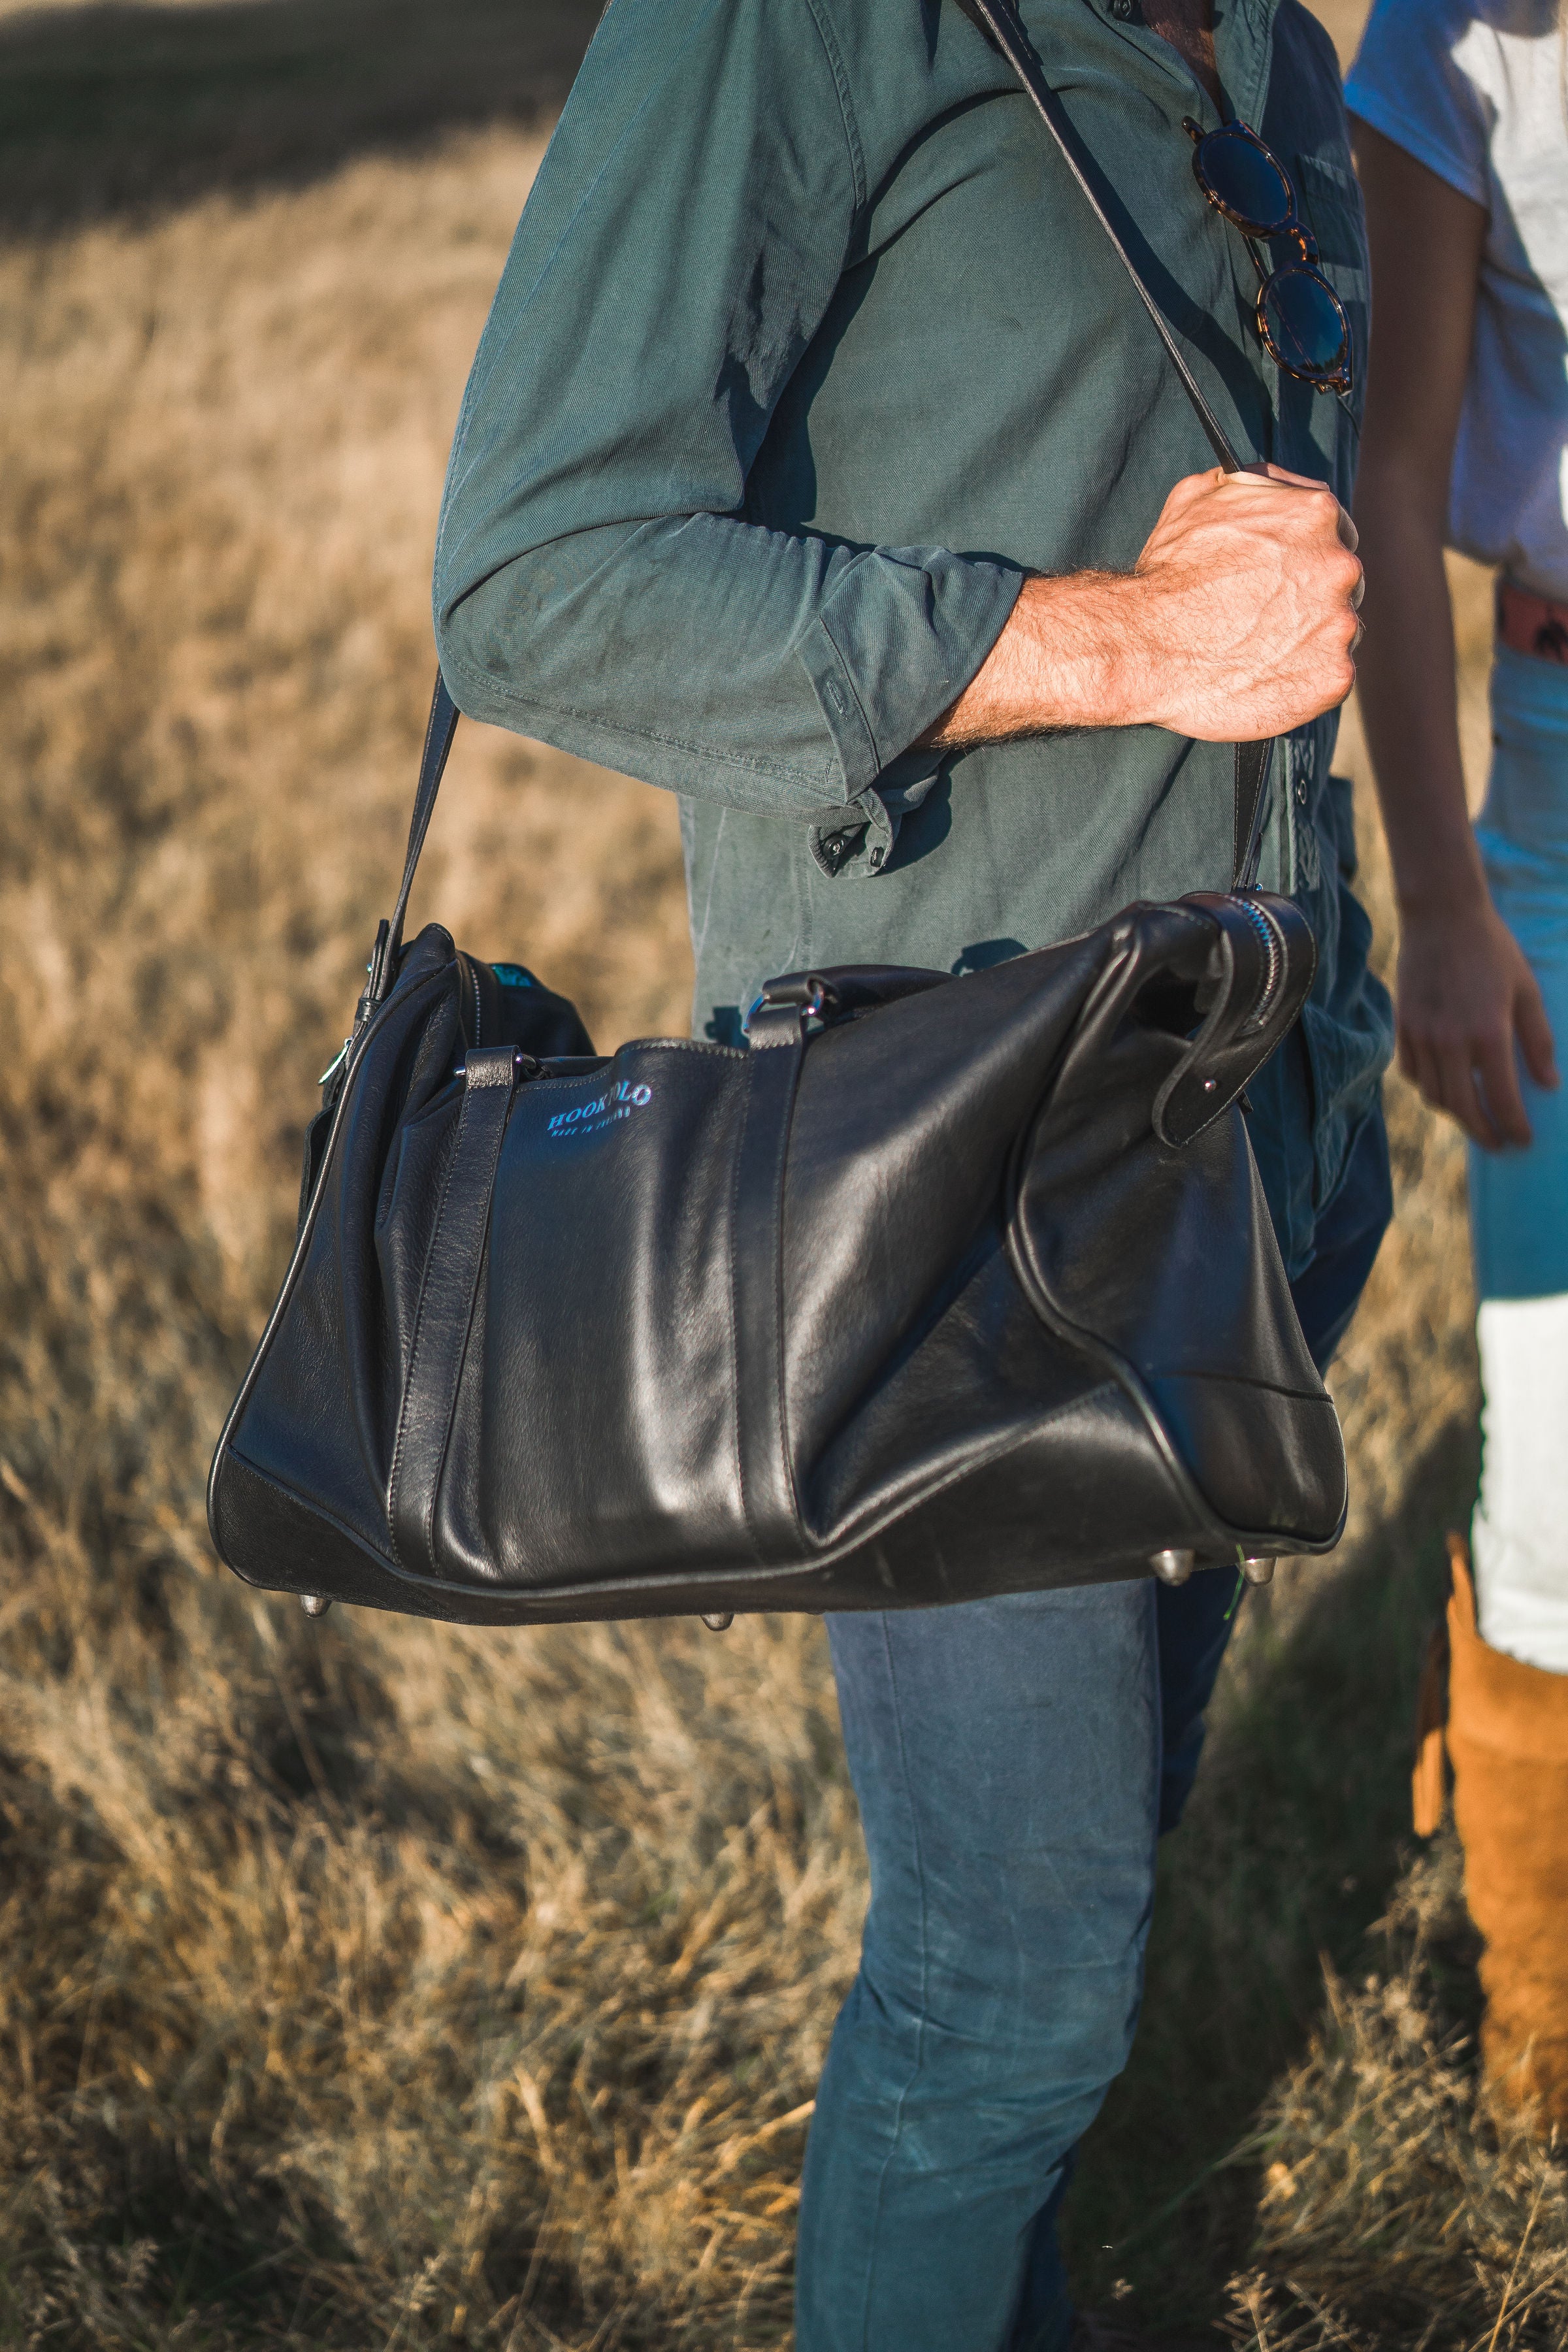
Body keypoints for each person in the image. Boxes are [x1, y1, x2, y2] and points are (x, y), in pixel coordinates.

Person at [434, 0, 1392, 2341]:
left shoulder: (1259, 43)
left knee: (1084, 1902)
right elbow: (540, 577)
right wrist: (1117, 642)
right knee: (1010, 1988)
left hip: (1245, 1145)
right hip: (955, 1184)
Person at [1347, 0, 1568, 2125]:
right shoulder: (1454, 45)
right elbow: (1392, 472)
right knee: (1564, 1426)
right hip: (1561, 793)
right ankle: (1543, 1998)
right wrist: (1439, 897)